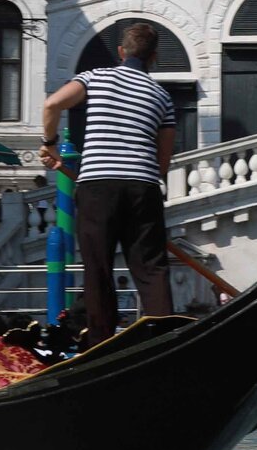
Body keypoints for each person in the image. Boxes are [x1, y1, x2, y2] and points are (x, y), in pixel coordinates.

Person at [38, 22, 179, 346]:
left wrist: (50, 142)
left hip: (98, 188)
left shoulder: (96, 77)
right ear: (153, 57)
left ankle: (101, 343)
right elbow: (163, 162)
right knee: (151, 269)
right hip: (142, 186)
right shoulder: (162, 97)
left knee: (98, 268)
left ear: (121, 52)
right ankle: (164, 341)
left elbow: (52, 105)